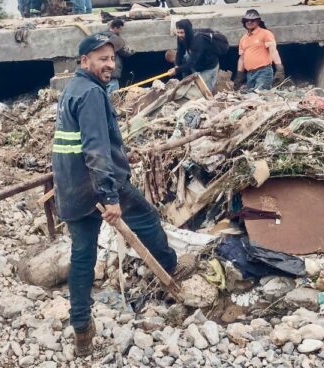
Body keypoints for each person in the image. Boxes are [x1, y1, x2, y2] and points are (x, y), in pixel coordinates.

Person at [53, 34, 186, 357]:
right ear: (85, 61)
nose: (110, 64)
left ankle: (82, 329)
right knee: (146, 218)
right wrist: (110, 197)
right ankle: (171, 269)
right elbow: (97, 152)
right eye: (102, 58)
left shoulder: (72, 89)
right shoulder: (91, 95)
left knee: (83, 257)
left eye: (112, 58)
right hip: (97, 187)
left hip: (71, 189)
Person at [234, 9, 285, 91]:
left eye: (252, 20)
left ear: (258, 21)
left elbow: (273, 51)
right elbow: (242, 58)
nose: (249, 22)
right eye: (247, 20)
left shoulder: (265, 33)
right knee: (249, 96)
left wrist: (279, 68)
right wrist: (239, 75)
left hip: (264, 72)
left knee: (259, 94)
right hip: (250, 74)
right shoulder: (243, 38)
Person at [167, 19, 220, 92]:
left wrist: (177, 70)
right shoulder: (180, 38)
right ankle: (186, 81)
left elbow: (192, 62)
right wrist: (177, 65)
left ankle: (211, 77)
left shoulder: (198, 40)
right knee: (185, 58)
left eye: (182, 32)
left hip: (209, 67)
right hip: (197, 64)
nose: (179, 35)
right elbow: (180, 53)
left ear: (187, 31)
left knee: (203, 93)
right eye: (178, 32)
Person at [103, 19, 135, 94]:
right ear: (115, 28)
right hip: (113, 71)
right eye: (120, 29)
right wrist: (132, 52)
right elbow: (123, 52)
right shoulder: (114, 38)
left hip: (104, 70)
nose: (121, 31)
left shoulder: (103, 35)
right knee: (113, 94)